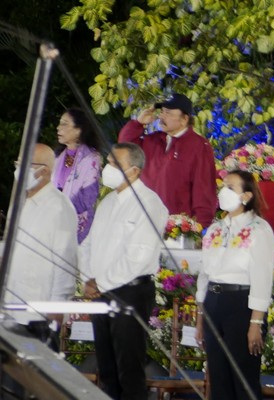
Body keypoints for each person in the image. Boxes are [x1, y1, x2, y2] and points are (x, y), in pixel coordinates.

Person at [80, 142, 168, 400]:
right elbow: (88, 245)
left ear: (134, 171)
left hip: (129, 293)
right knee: (106, 368)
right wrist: (88, 278)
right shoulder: (107, 202)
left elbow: (138, 257)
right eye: (108, 162)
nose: (107, 169)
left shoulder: (149, 204)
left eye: (114, 164)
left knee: (128, 368)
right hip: (101, 293)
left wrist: (102, 282)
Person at [194, 170, 274, 399]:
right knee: (218, 375)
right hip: (214, 301)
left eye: (231, 187)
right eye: (223, 186)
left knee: (242, 376)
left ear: (246, 196)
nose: (223, 191)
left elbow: (262, 277)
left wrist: (255, 323)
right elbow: (204, 272)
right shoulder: (216, 228)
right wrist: (201, 316)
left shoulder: (259, 229)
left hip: (240, 304)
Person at [6, 143, 78, 347]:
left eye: (24, 165)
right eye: (17, 163)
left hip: (40, 311)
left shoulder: (59, 208)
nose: (18, 170)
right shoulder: (20, 203)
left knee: (36, 375)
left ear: (43, 171)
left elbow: (66, 260)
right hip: (13, 306)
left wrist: (56, 307)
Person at [118, 93, 217, 227]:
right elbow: (125, 148)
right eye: (162, 111)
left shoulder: (199, 146)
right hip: (142, 221)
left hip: (175, 227)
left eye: (168, 113)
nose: (161, 116)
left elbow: (203, 191)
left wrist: (200, 227)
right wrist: (138, 123)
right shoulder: (153, 140)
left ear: (184, 119)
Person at [52, 108, 103, 243]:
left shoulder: (91, 159)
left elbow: (88, 197)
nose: (58, 128)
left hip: (76, 227)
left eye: (64, 124)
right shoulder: (55, 157)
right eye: (59, 123)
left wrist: (62, 211)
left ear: (78, 130)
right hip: (53, 224)